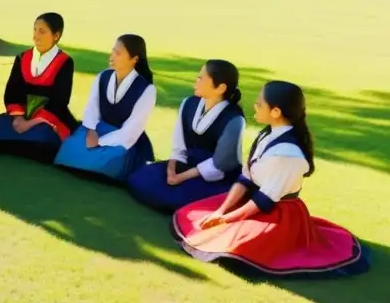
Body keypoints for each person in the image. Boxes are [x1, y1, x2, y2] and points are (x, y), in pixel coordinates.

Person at [172, 80, 368, 277]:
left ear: (275, 112)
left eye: (259, 104)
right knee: (193, 216)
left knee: (238, 247)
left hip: (279, 213)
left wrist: (224, 219)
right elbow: (246, 179)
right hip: (254, 201)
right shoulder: (267, 133)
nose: (254, 107)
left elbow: (264, 200)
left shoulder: (287, 154)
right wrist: (221, 210)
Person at [127, 60, 245, 211]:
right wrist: (171, 168)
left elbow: (220, 164)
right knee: (139, 180)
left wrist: (181, 177)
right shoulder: (189, 104)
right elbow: (179, 144)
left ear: (220, 88)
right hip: (186, 163)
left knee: (175, 197)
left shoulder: (234, 119)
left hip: (214, 174)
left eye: (201, 78)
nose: (196, 81)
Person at [54, 34, 156, 181]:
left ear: (134, 59)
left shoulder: (146, 89)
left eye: (118, 53)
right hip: (96, 129)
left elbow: (132, 130)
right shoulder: (103, 77)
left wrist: (100, 142)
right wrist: (91, 130)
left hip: (122, 139)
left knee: (110, 158)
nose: (112, 56)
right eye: (113, 50)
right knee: (69, 148)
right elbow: (92, 108)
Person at [0, 12, 78, 163]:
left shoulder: (64, 62)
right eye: (34, 30)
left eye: (42, 31)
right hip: (20, 115)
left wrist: (30, 123)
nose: (35, 36)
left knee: (44, 139)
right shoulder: (23, 57)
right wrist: (19, 118)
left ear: (56, 35)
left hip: (48, 118)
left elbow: (60, 101)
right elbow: (11, 93)